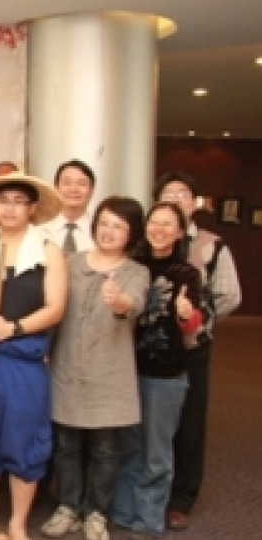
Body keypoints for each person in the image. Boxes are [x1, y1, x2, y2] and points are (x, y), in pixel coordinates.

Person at [0, 173, 66, 540]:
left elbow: (56, 308)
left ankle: (17, 523)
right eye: (4, 201)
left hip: (24, 362)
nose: (10, 208)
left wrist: (14, 328)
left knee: (24, 439)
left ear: (32, 209)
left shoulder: (48, 251)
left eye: (19, 202)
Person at [42, 197, 149, 540]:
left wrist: (118, 300)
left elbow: (133, 303)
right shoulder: (70, 263)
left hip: (110, 374)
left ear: (131, 233)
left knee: (105, 450)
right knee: (66, 445)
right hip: (67, 368)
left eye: (118, 226)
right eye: (104, 223)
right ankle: (68, 507)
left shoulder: (136, 271)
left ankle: (96, 512)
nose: (109, 231)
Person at [112, 202, 205, 540]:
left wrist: (186, 313)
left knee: (157, 452)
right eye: (154, 222)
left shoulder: (187, 273)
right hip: (125, 369)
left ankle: (149, 519)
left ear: (180, 232)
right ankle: (124, 512)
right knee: (129, 447)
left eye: (168, 224)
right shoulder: (130, 266)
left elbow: (194, 323)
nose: (159, 230)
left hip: (166, 375)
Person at [154, 172, 242, 530]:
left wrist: (199, 319)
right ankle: (147, 492)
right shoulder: (149, 239)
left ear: (194, 202)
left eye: (183, 194)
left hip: (190, 347)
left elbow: (229, 295)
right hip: (149, 347)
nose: (175, 199)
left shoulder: (211, 245)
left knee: (188, 422)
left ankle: (181, 498)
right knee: (150, 421)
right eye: (168, 193)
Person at [43, 160, 96, 255]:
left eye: (81, 184)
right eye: (67, 183)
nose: (74, 189)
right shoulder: (40, 229)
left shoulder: (99, 231)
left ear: (92, 191)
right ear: (56, 188)